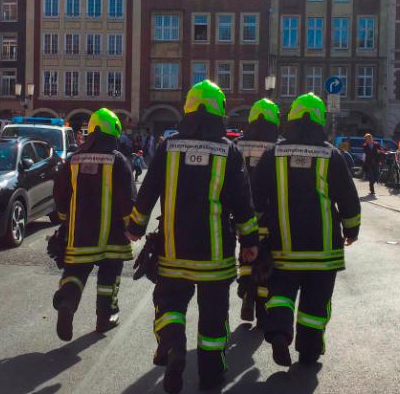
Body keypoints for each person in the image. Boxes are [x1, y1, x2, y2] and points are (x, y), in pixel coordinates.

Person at [127, 80, 259, 393]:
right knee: (214, 319)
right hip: (215, 256)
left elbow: (148, 191)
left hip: (173, 252)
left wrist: (135, 227)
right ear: (220, 112)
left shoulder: (167, 147)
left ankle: (173, 347)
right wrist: (250, 242)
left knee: (170, 304)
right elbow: (243, 201)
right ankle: (211, 375)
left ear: (188, 108)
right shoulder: (229, 151)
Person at [251, 93, 361, 367]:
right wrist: (352, 229)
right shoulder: (332, 155)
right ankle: (309, 351)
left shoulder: (273, 154)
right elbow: (348, 198)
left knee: (280, 293)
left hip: (283, 247)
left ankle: (279, 333)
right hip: (323, 251)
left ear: (290, 120)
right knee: (315, 303)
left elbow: (255, 196)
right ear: (320, 120)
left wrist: (253, 234)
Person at [52, 108, 137, 341]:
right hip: (113, 236)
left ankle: (68, 302)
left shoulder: (73, 160)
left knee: (75, 272)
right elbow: (127, 197)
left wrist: (63, 220)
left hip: (79, 234)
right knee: (109, 276)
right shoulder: (117, 160)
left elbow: (60, 193)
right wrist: (133, 227)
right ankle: (104, 317)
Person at [235, 99, 281, 324]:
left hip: (244, 212)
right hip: (271, 213)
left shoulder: (239, 146)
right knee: (266, 257)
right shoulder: (279, 147)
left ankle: (246, 294)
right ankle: (262, 307)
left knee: (246, 252)